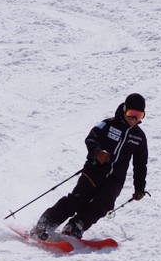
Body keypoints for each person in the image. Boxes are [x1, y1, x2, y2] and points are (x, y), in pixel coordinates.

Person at [31, 93, 149, 239]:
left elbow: (140, 164)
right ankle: (43, 225)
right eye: (131, 113)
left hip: (115, 179)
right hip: (95, 170)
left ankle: (75, 226)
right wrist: (97, 153)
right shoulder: (108, 124)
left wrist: (139, 188)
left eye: (139, 115)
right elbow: (91, 138)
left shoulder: (139, 137)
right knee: (78, 199)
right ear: (124, 110)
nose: (134, 118)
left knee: (104, 204)